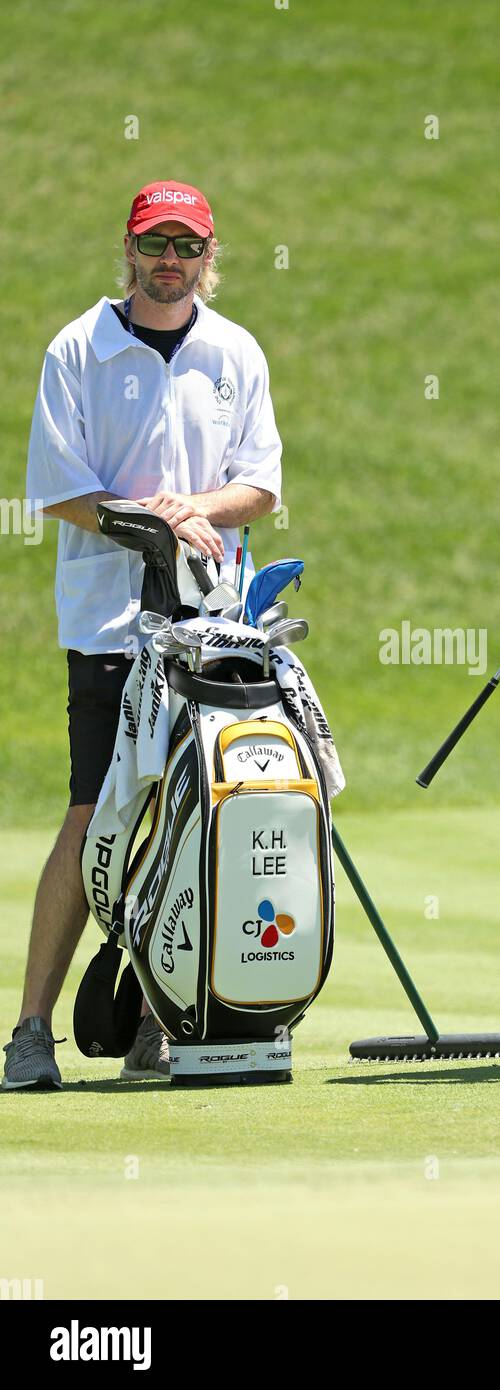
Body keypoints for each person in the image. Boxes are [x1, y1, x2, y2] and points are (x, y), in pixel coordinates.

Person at [4, 180, 282, 1090]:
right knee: (95, 817)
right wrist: (153, 520)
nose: (171, 261)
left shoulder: (236, 349)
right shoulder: (78, 349)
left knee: (194, 817)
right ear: (129, 250)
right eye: (155, 245)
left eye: (187, 247)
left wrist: (189, 509)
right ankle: (32, 1032)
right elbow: (62, 490)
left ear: (210, 255)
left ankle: (162, 1022)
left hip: (213, 627)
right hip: (109, 626)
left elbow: (260, 489)